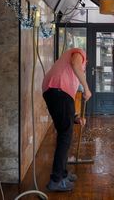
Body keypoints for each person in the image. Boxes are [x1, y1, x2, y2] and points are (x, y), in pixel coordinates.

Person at [42, 48, 92, 191]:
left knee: (64, 133)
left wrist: (75, 118)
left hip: (54, 92)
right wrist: (87, 88)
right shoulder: (80, 52)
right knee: (65, 136)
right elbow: (76, 65)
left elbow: (64, 107)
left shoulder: (66, 66)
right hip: (58, 91)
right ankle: (56, 180)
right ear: (86, 60)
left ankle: (63, 174)